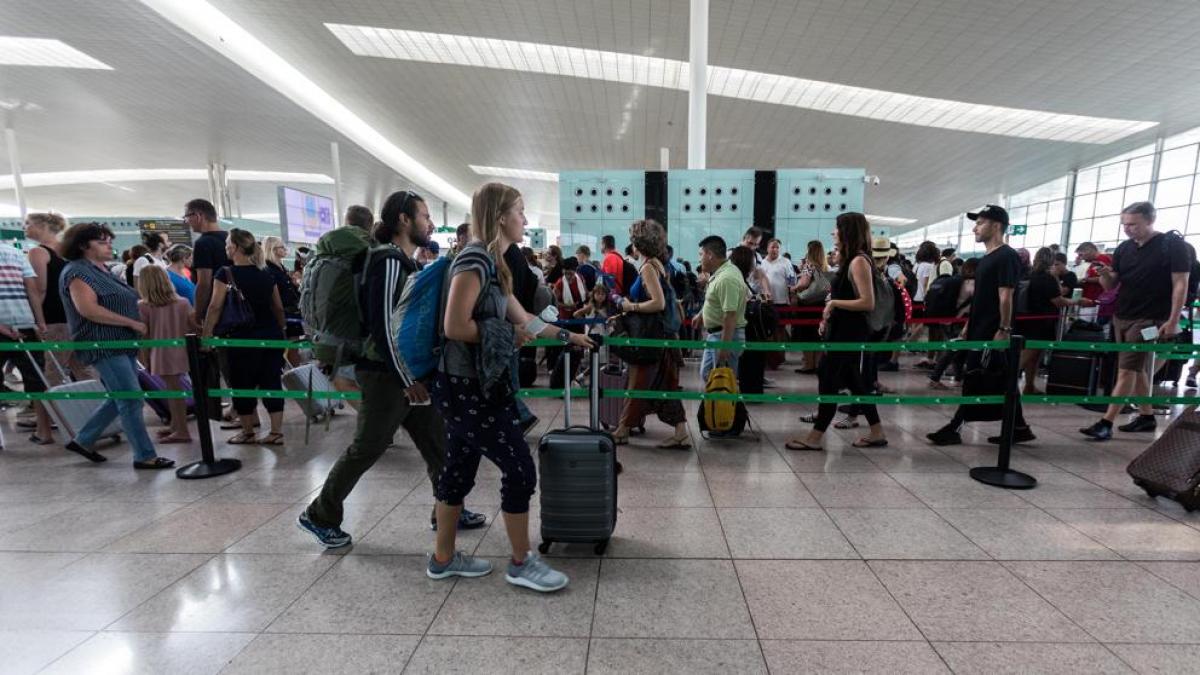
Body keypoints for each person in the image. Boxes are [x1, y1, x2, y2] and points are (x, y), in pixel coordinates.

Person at [299, 190, 487, 549]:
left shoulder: (404, 262)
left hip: (406, 374)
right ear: (404, 220)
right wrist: (407, 379)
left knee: (438, 445)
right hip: (387, 376)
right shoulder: (387, 261)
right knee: (368, 447)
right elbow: (385, 327)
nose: (430, 223)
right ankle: (319, 514)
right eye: (424, 216)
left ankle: (448, 508)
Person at [429, 182, 593, 592]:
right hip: (469, 386)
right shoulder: (475, 260)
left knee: (458, 469)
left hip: (471, 383)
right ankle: (521, 562)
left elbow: (525, 322)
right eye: (520, 211)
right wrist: (502, 335)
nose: (525, 220)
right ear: (501, 215)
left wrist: (569, 337)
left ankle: (443, 558)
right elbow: (454, 326)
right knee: (520, 469)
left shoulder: (497, 264)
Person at [58, 222, 173, 468]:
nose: (109, 244)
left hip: (120, 342)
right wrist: (130, 322)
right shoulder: (77, 272)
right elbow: (87, 309)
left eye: (108, 240)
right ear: (82, 246)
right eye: (101, 241)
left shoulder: (102, 270)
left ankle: (83, 439)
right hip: (103, 343)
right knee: (130, 398)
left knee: (121, 396)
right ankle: (144, 455)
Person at [1080, 202, 1191, 440]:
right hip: (1123, 315)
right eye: (1124, 224)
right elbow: (1113, 285)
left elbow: (1181, 283)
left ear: (1150, 221)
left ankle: (1106, 422)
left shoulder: (1172, 246)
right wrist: (1104, 275)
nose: (1128, 229)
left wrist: (1172, 320)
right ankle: (1146, 416)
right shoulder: (1124, 249)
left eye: (1133, 224)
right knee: (1138, 368)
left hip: (1150, 319)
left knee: (1128, 370)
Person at [927, 205, 1036, 446]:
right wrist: (968, 325)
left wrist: (1004, 329)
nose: (975, 228)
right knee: (1003, 378)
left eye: (981, 223)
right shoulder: (989, 257)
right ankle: (1018, 426)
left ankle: (954, 427)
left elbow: (1005, 296)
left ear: (997, 226)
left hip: (993, 331)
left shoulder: (1006, 256)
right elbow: (983, 298)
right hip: (981, 328)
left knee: (976, 376)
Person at [787, 213, 887, 451]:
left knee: (828, 377)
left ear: (847, 231)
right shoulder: (852, 259)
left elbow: (867, 302)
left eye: (836, 228)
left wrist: (833, 305)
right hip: (843, 331)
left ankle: (815, 437)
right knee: (855, 381)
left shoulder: (858, 261)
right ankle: (877, 431)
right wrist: (830, 314)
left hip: (849, 334)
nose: (833, 233)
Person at [201, 228, 287, 445]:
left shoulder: (225, 273)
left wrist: (207, 335)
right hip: (270, 335)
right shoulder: (267, 273)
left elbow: (214, 307)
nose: (226, 247)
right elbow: (277, 307)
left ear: (236, 247)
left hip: (240, 337)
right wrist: (282, 329)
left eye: (228, 243)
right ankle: (276, 432)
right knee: (272, 382)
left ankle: (248, 432)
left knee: (241, 384)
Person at [612, 219, 690, 449]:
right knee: (667, 384)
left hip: (650, 337)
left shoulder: (647, 267)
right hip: (663, 336)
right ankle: (680, 431)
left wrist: (630, 306)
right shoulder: (657, 263)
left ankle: (623, 428)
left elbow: (658, 302)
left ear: (639, 243)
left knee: (637, 382)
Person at [0, 229, 53, 443]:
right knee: (37, 379)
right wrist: (39, 322)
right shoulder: (15, 253)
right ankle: (44, 431)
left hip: (2, 323)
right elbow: (32, 288)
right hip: (25, 322)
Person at [25, 212, 90, 384]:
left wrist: (38, 322)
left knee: (53, 372)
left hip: (54, 320)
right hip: (78, 317)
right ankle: (96, 407)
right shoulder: (68, 251)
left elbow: (40, 289)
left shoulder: (38, 252)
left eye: (28, 223)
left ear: (42, 226)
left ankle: (55, 410)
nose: (24, 228)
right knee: (84, 370)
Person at [1018, 247, 1093, 395]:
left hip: (1026, 318)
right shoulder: (1048, 277)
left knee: (1033, 355)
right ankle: (1005, 383)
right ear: (1051, 261)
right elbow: (1058, 300)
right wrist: (1077, 302)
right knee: (1029, 354)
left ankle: (1029, 386)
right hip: (1042, 321)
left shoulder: (1030, 274)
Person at [137, 265, 196, 443]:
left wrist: (145, 357)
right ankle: (176, 426)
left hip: (160, 353)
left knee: (173, 393)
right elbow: (192, 327)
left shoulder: (143, 306)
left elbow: (145, 335)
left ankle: (181, 430)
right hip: (182, 351)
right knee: (176, 391)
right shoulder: (183, 302)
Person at [693, 235, 748, 382]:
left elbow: (730, 315)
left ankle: (729, 406)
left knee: (723, 383)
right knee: (710, 376)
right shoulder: (720, 273)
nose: (699, 259)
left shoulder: (727, 278)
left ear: (710, 255)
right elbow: (715, 299)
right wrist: (701, 314)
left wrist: (724, 349)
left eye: (701, 255)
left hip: (725, 335)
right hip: (716, 335)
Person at [928, 258, 978, 389]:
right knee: (952, 350)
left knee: (959, 350)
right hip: (959, 321)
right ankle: (935, 378)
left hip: (947, 319)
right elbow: (974, 305)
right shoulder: (972, 284)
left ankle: (958, 378)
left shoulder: (956, 281)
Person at [184, 198, 228, 325]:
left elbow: (204, 283)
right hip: (237, 307)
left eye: (187, 217)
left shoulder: (203, 243)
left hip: (216, 310)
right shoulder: (229, 239)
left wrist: (198, 314)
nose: (187, 222)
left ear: (198, 216)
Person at [263, 236, 304, 366]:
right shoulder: (269, 270)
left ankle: (294, 377)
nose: (285, 249)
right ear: (273, 249)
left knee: (294, 349)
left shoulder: (281, 268)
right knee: (285, 350)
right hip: (282, 315)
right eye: (282, 247)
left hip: (292, 313)